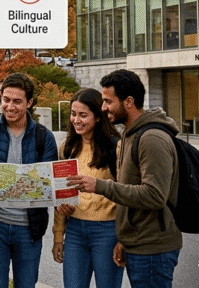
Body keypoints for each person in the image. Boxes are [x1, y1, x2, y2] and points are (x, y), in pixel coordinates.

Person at [66, 69, 182, 288]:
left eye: (108, 101)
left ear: (128, 102)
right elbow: (130, 192)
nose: (103, 107)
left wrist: (100, 186)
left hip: (153, 246)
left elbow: (154, 195)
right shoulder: (130, 135)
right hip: (137, 243)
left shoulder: (151, 138)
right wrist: (124, 238)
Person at [0, 72, 59, 288]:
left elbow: (49, 184)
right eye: (6, 100)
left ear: (29, 102)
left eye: (17, 101)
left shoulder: (43, 137)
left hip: (29, 230)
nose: (9, 106)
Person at [52, 89, 122, 288]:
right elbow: (61, 194)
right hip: (74, 231)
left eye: (83, 115)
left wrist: (123, 239)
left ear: (98, 117)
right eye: (73, 114)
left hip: (108, 231)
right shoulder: (66, 147)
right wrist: (58, 235)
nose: (76, 120)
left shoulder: (115, 148)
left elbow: (126, 194)